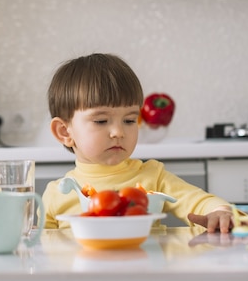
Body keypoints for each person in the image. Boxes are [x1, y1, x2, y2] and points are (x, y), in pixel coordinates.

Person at [41, 53, 234, 233]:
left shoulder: (153, 176)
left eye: (129, 120)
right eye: (101, 121)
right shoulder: (55, 194)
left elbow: (198, 201)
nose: (118, 132)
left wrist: (220, 212)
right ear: (64, 131)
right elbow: (43, 254)